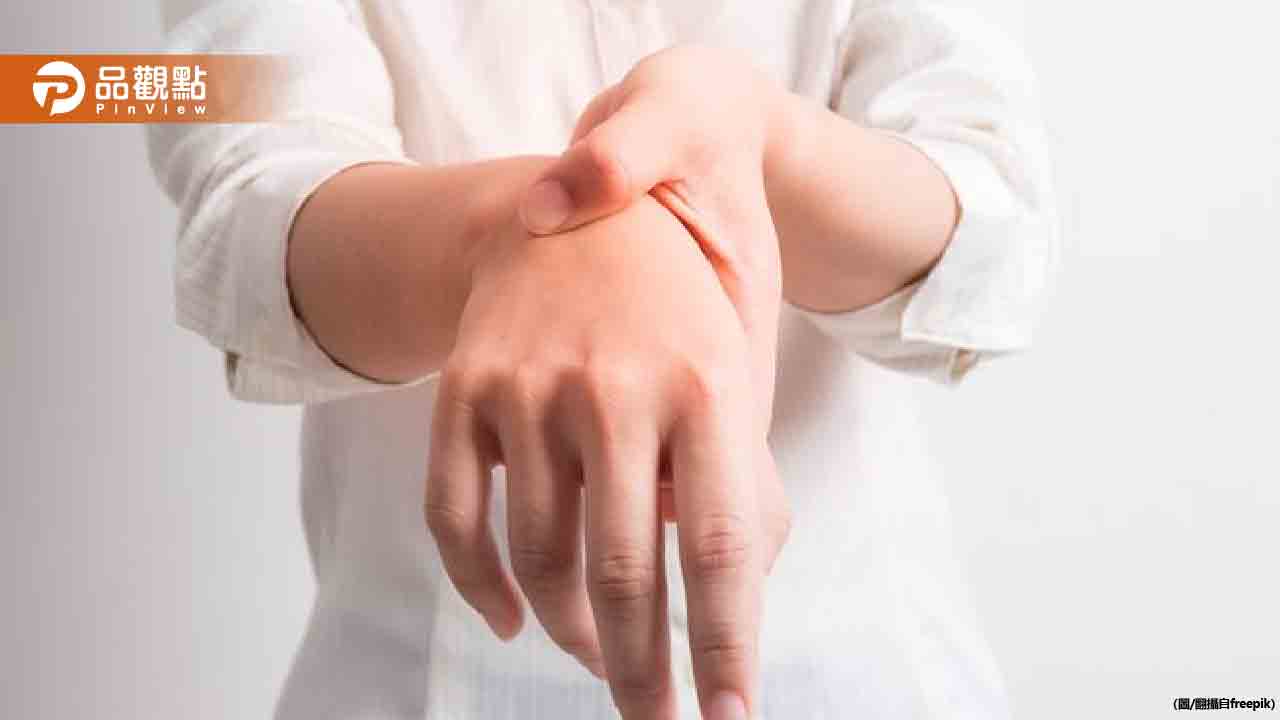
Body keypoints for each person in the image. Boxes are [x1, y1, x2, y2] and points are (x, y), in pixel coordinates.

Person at [148, 1, 1056, 718]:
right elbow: (250, 202)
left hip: (858, 669)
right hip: (413, 677)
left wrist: (754, 147)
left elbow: (994, 215)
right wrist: (521, 238)